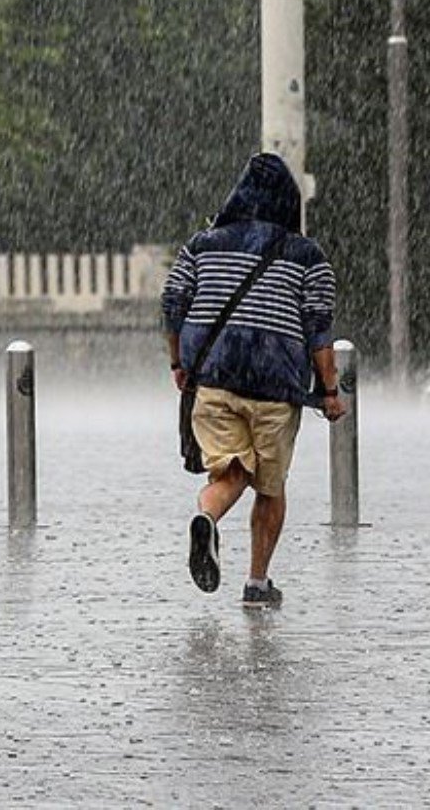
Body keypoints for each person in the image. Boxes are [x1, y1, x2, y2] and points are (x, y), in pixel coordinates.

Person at [161, 153, 346, 609]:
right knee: (270, 486)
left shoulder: (202, 246)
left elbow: (172, 304)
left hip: (215, 379)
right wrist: (329, 391)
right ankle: (257, 584)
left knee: (230, 471)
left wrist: (179, 363)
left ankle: (207, 516)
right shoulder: (307, 256)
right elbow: (318, 329)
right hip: (275, 388)